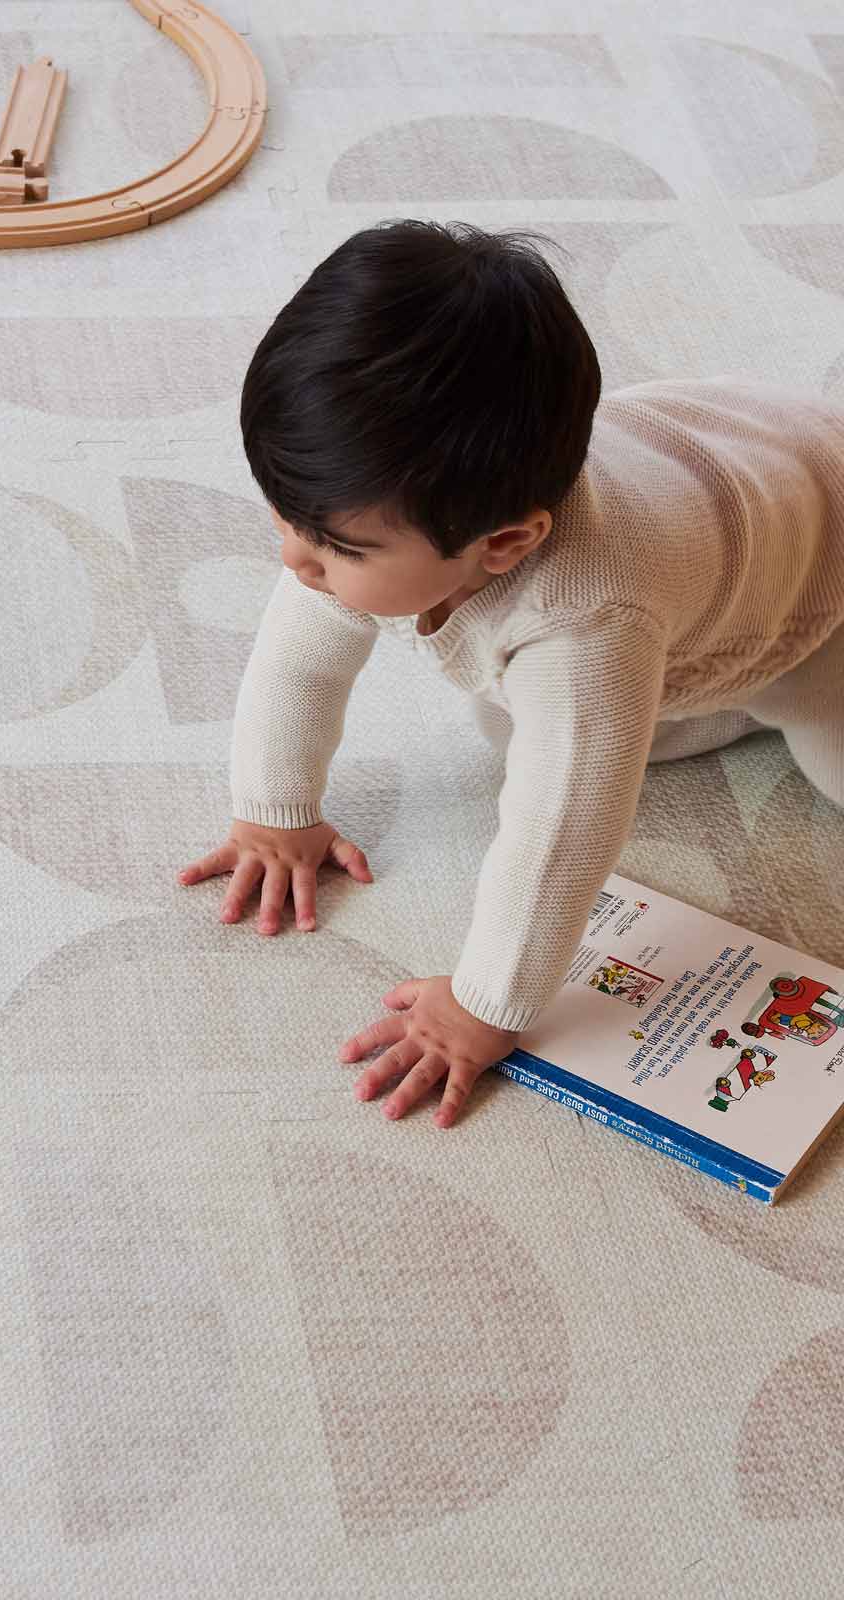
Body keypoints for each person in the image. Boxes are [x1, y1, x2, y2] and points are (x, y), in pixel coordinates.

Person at [177, 218, 844, 1129]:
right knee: (527, 723)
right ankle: (693, 688)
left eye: (332, 543)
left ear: (509, 543)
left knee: (812, 761)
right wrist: (273, 814)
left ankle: (747, 692)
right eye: (285, 513)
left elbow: (560, 835)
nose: (293, 557)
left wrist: (485, 1006)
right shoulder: (376, 518)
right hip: (731, 466)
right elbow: (300, 661)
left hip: (815, 588)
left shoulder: (588, 626)